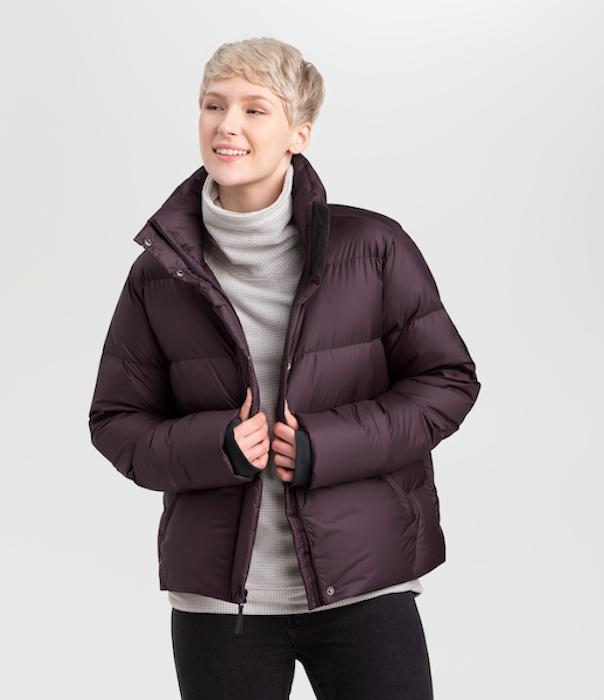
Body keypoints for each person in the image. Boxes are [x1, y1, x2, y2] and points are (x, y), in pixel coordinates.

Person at [90, 37, 480, 700]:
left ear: (299, 133)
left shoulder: (373, 247)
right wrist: (216, 446)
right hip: (220, 605)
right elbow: (117, 422)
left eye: (254, 109)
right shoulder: (158, 274)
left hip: (364, 583)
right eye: (214, 105)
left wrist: (325, 446)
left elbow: (447, 383)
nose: (227, 125)